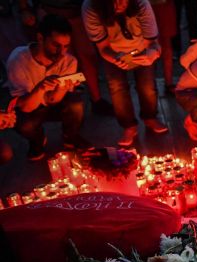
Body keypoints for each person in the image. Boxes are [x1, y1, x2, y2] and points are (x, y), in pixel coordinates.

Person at [82, 0, 168, 147]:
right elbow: (102, 48)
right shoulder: (91, 7)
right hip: (113, 52)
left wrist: (152, 53)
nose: (121, 4)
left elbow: (153, 43)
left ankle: (150, 117)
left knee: (147, 86)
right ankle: (129, 126)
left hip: (141, 47)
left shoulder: (141, 3)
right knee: (117, 88)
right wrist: (115, 58)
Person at [7, 14, 86, 160]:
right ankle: (37, 140)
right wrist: (41, 88)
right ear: (40, 38)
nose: (61, 52)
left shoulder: (68, 61)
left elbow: (53, 100)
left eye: (66, 46)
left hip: (53, 104)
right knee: (21, 123)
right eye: (56, 45)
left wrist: (62, 88)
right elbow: (25, 107)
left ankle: (70, 137)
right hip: (30, 105)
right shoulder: (18, 59)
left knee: (76, 104)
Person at [22, 0, 114, 115]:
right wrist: (24, 8)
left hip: (77, 12)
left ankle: (95, 100)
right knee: (58, 57)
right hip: (49, 10)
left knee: (86, 57)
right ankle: (56, 101)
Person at [150, 0, 178, 95]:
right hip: (148, 6)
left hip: (164, 5)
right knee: (149, 42)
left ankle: (168, 82)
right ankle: (150, 82)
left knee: (166, 43)